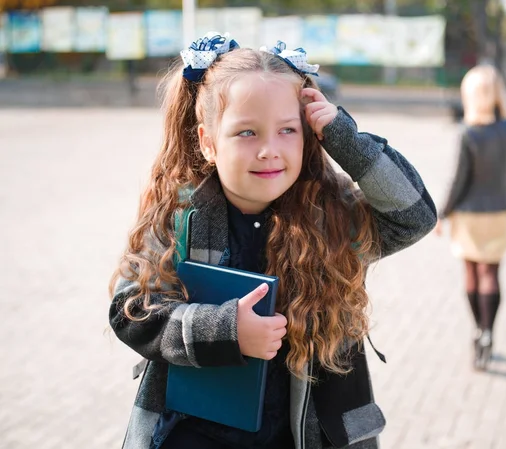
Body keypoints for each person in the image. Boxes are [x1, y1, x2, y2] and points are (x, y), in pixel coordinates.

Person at [109, 32, 437, 449]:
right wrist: (225, 330)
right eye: (247, 132)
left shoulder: (333, 219)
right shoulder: (178, 218)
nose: (269, 150)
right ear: (208, 142)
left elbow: (414, 217)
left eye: (287, 130)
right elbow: (132, 310)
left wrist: (345, 139)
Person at [435, 64, 506, 371]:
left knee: (472, 274)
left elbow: (458, 181)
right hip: (501, 212)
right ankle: (488, 334)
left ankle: (477, 331)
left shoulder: (468, 133)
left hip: (470, 215)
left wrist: (440, 214)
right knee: (492, 273)